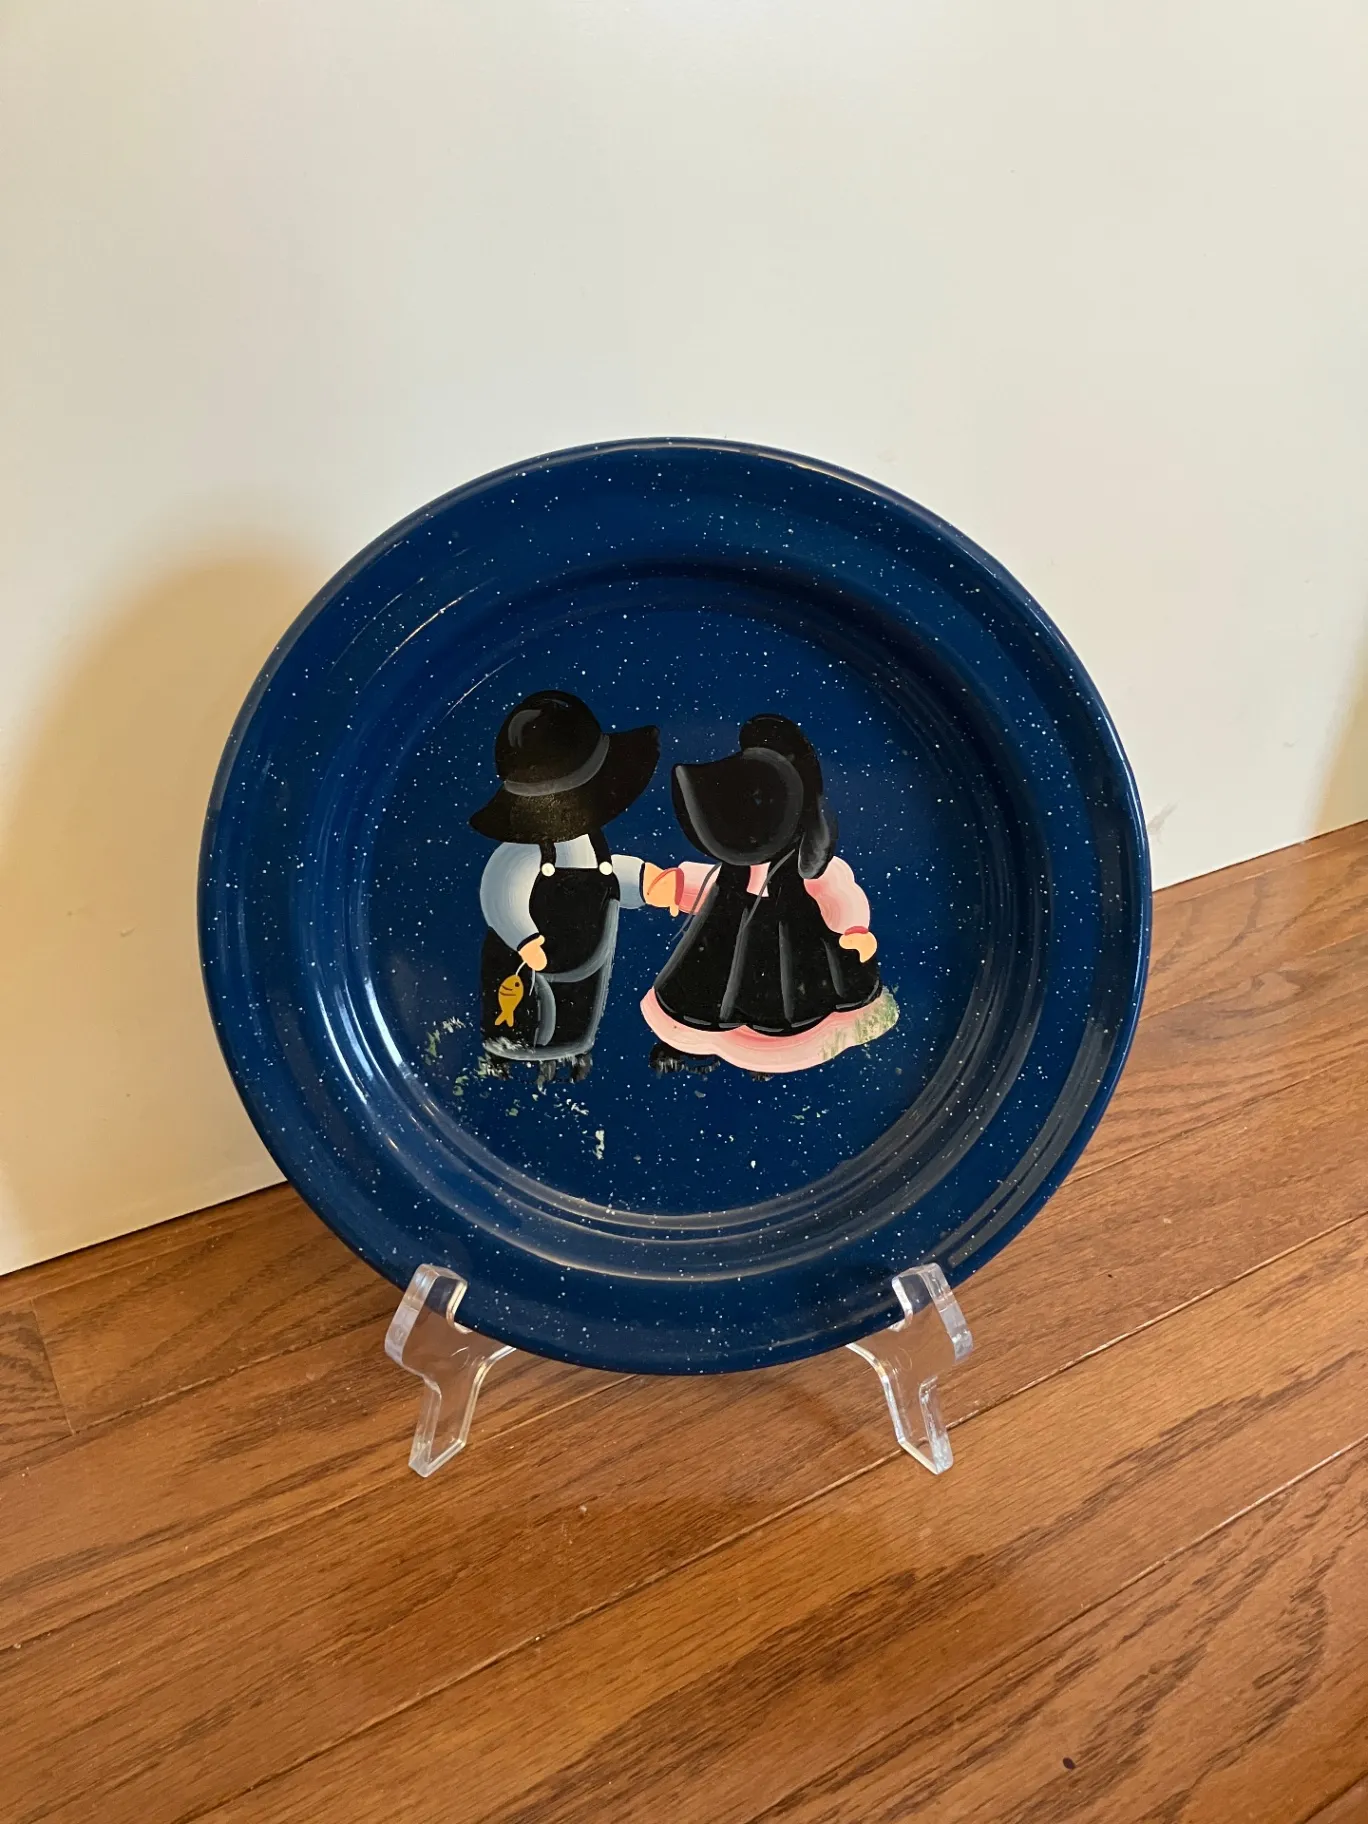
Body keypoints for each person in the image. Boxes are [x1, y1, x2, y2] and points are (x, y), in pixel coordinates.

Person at [641, 713, 896, 1075]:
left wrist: (853, 929)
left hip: (789, 945)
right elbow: (713, 883)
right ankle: (693, 1040)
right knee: (709, 989)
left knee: (782, 1002)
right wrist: (680, 884)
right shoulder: (736, 864)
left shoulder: (805, 864)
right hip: (728, 931)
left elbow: (836, 892)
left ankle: (768, 1055)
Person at [471, 690, 669, 1080]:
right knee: (525, 1023)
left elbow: (605, 874)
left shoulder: (589, 841)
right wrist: (523, 936)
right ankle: (507, 1065)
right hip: (528, 964)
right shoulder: (522, 850)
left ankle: (570, 1056)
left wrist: (646, 881)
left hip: (584, 967)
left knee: (573, 1022)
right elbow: (500, 891)